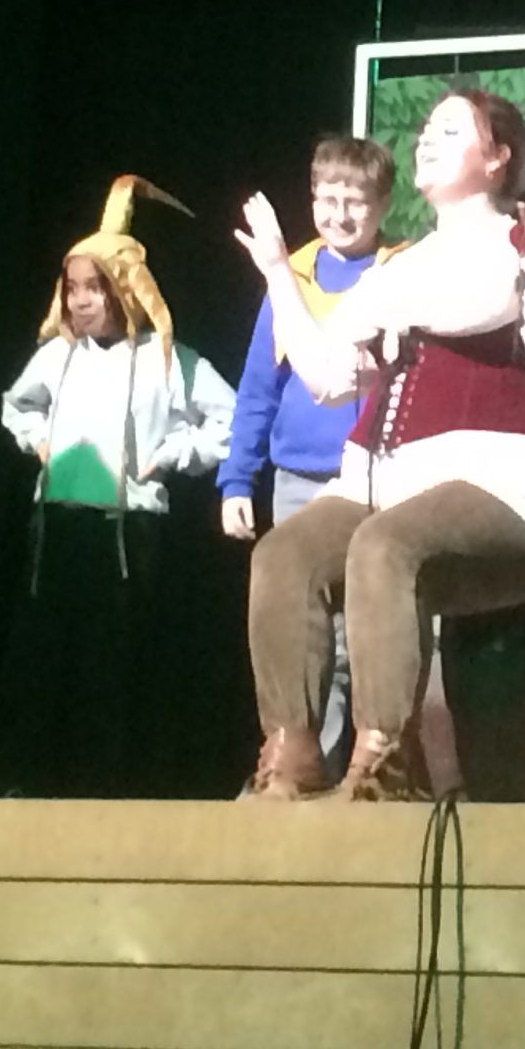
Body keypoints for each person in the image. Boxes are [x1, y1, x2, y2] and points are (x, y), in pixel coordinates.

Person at [232, 89, 525, 802]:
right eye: (426, 129)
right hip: (390, 478)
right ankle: (291, 754)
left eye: (451, 129)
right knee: (286, 555)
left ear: (498, 159)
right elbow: (325, 376)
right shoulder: (400, 270)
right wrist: (280, 273)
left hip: (507, 475)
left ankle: (385, 759)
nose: (427, 138)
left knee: (385, 545)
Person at [0, 176, 232, 795]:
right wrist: (38, 440)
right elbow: (16, 405)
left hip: (126, 531)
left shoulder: (166, 359)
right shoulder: (58, 356)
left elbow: (229, 421)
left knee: (111, 659)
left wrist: (171, 455)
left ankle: (104, 790)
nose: (80, 302)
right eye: (72, 288)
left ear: (126, 288)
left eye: (94, 287)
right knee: (44, 653)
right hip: (56, 526)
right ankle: (32, 782)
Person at [216, 137, 398, 767]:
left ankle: (361, 772)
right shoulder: (289, 276)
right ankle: (301, 763)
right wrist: (237, 480)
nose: (340, 215)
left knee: (357, 639)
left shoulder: (398, 273)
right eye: (328, 199)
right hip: (295, 481)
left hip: (374, 480)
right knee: (301, 632)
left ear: (384, 204)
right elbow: (258, 388)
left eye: (356, 201)